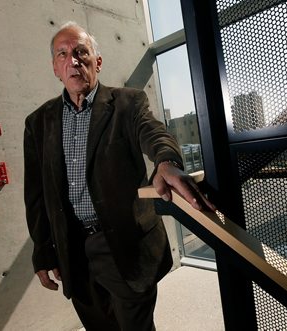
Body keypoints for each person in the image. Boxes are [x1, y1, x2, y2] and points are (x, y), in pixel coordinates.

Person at [23, 21, 215, 331]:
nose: (73, 61)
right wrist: (42, 250)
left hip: (124, 247)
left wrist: (165, 161)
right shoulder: (38, 122)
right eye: (62, 54)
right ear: (55, 68)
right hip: (74, 251)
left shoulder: (127, 102)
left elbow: (152, 132)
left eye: (81, 52)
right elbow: (36, 195)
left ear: (97, 61)